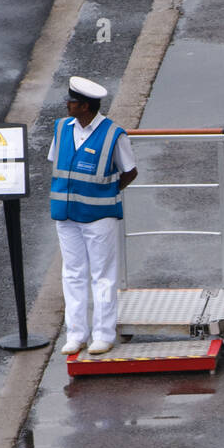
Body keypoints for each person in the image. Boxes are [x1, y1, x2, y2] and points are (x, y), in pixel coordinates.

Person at [48, 76, 138, 355]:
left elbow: (130, 171)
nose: (67, 105)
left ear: (85, 106)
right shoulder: (62, 128)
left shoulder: (113, 134)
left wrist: (107, 193)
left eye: (72, 102)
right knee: (72, 275)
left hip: (99, 217)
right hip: (65, 214)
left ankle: (103, 334)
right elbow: (58, 163)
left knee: (103, 276)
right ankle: (76, 335)